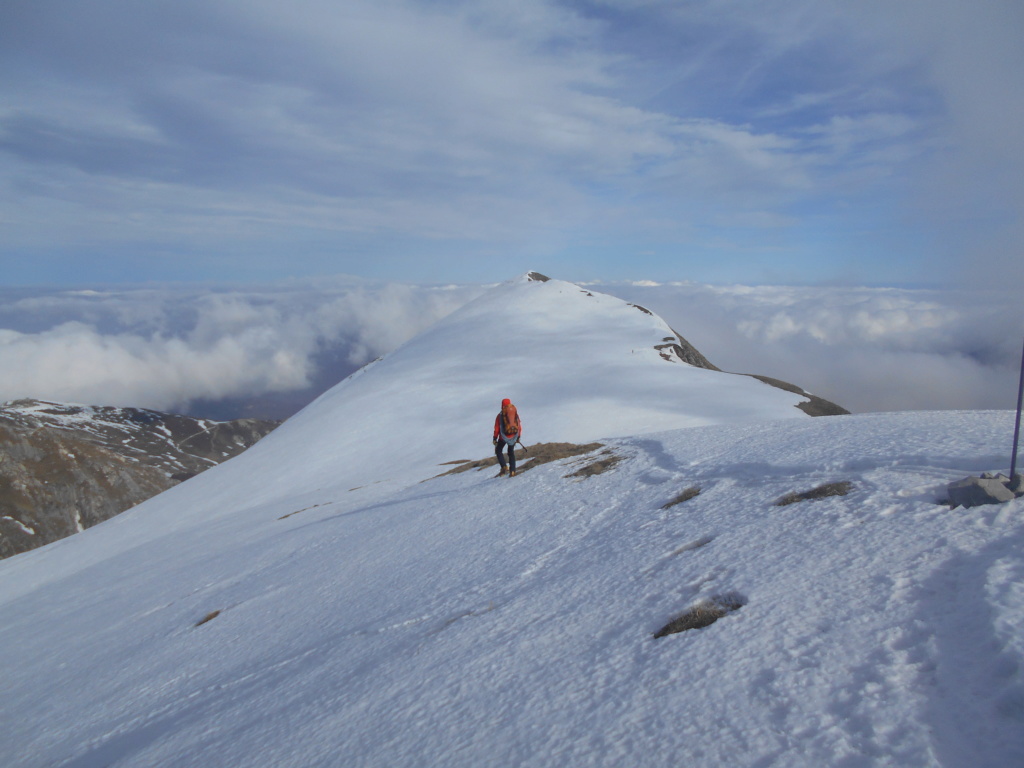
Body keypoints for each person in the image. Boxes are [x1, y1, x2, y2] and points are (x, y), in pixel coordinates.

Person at [493, 398, 522, 477]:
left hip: (503, 437)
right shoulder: (515, 414)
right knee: (511, 453)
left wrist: (495, 438)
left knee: (498, 450)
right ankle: (512, 471)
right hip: (513, 436)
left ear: (502, 405)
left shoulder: (500, 415)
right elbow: (519, 426)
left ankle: (504, 466)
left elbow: (497, 428)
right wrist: (518, 436)